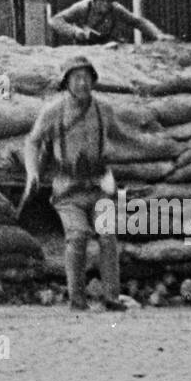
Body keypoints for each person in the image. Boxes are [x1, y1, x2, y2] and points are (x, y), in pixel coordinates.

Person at [23, 55, 131, 311]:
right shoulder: (53, 112)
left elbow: (121, 138)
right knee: (78, 235)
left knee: (108, 236)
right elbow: (32, 141)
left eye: (86, 78)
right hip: (67, 189)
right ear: (66, 83)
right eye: (76, 78)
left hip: (98, 185)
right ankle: (77, 300)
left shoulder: (104, 109)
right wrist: (32, 172)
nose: (82, 83)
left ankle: (112, 298)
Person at [49, 0, 174, 45]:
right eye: (101, 1)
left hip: (108, 46)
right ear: (94, 0)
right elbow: (55, 20)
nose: (105, 4)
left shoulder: (115, 8)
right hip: (85, 47)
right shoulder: (82, 8)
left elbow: (138, 22)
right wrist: (74, 32)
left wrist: (157, 35)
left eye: (108, 0)